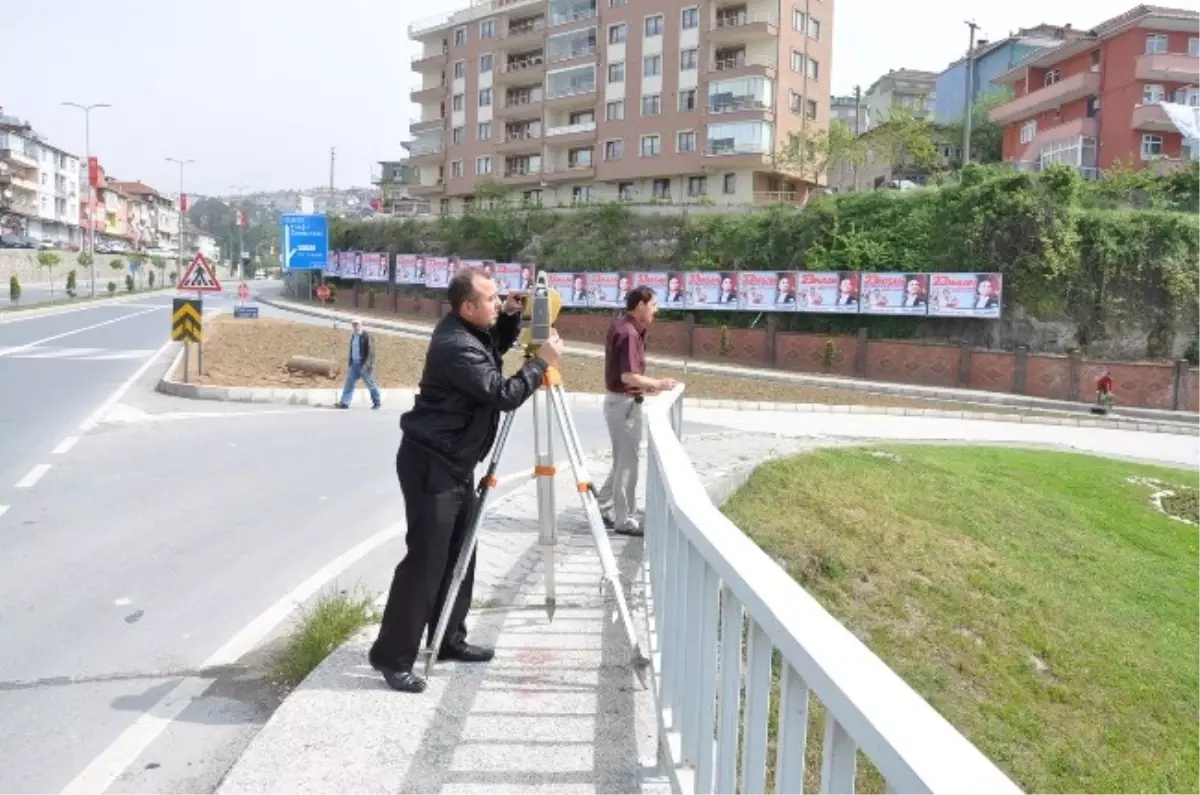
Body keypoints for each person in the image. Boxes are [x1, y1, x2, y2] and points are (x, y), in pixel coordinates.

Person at [369, 266, 565, 693]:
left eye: (500, 298)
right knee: (425, 562)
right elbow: (502, 393)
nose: (499, 303)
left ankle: (450, 638)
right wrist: (540, 365)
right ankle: (392, 657)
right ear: (466, 307)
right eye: (492, 300)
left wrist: (513, 317)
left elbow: (494, 345)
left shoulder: (471, 332)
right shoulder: (456, 345)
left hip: (456, 463)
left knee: (461, 554)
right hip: (431, 466)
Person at [597, 286, 677, 536]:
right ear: (640, 305)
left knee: (622, 461)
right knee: (628, 464)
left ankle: (604, 505)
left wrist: (647, 386)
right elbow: (629, 376)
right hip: (624, 405)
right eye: (653, 304)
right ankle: (625, 519)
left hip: (621, 402)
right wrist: (659, 384)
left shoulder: (623, 326)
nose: (656, 309)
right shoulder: (629, 333)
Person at [334, 319, 381, 410]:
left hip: (363, 365)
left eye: (357, 324)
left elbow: (371, 352)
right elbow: (352, 350)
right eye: (354, 324)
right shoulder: (353, 336)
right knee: (349, 383)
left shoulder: (366, 336)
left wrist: (367, 365)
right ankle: (344, 403)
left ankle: (377, 402)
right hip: (354, 365)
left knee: (371, 384)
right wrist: (350, 362)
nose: (355, 326)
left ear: (361, 325)